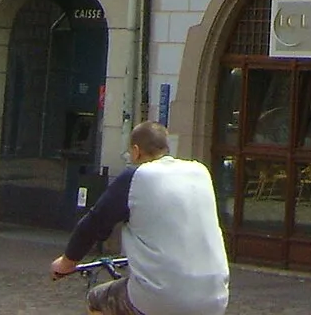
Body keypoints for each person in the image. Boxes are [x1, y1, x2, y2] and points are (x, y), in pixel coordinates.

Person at [51, 121, 229, 315]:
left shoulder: (136, 176)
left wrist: (66, 263)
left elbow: (94, 223)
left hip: (161, 297)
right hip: (215, 297)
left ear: (136, 151)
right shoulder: (200, 172)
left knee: (97, 299)